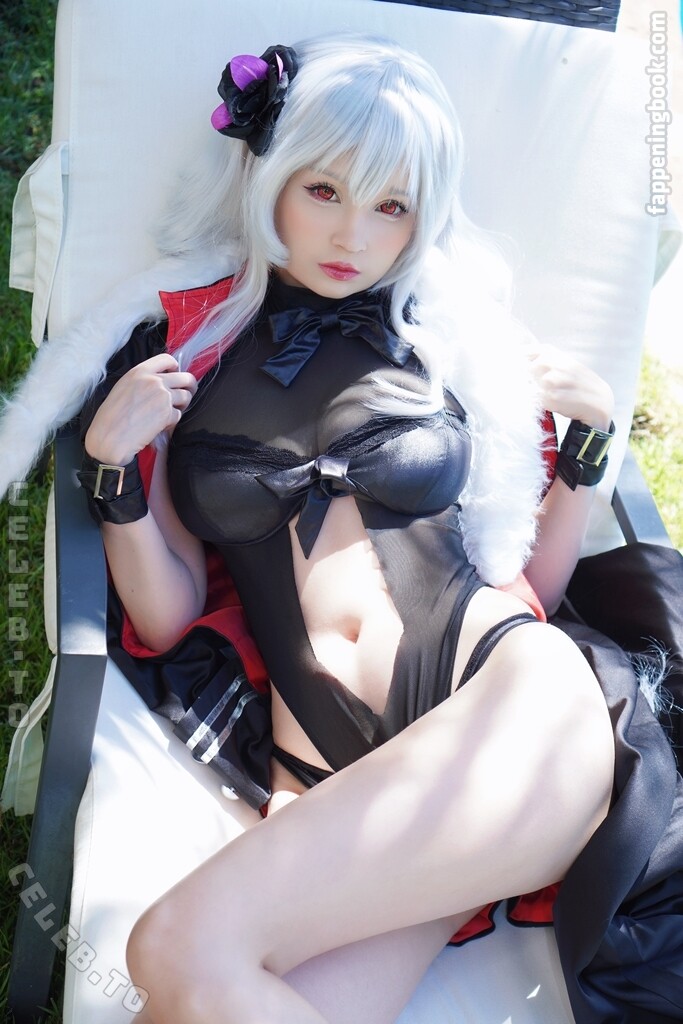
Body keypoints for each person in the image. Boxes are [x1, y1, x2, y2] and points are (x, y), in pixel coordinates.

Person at [6, 32, 683, 1024]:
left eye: (390, 206)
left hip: (507, 709)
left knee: (171, 945)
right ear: (269, 176)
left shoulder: (450, 340)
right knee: (189, 1000)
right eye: (323, 190)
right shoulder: (185, 345)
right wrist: (113, 474)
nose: (352, 235)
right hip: (322, 776)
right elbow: (169, 611)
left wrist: (584, 450)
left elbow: (525, 576)